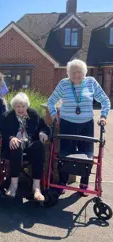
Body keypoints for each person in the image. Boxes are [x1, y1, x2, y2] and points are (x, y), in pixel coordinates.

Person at [47, 59, 110, 196]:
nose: (76, 75)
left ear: (84, 73)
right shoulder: (64, 84)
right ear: (68, 73)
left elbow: (105, 100)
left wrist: (103, 116)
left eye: (79, 72)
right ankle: (62, 183)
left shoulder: (91, 82)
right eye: (73, 72)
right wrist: (53, 115)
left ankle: (84, 184)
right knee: (65, 154)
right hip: (67, 124)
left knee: (86, 155)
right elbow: (51, 101)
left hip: (86, 124)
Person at [0, 93, 50, 201]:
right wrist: (11, 138)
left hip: (29, 145)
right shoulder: (7, 116)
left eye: (23, 106)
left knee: (38, 146)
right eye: (18, 106)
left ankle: (36, 188)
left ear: (27, 106)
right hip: (14, 148)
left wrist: (42, 133)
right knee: (16, 145)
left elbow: (44, 127)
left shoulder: (33, 114)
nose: (20, 109)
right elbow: (2, 132)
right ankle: (13, 186)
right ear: (14, 107)